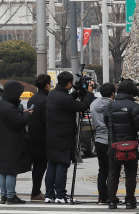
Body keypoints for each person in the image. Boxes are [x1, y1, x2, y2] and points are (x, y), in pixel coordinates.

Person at [45, 71, 95, 203]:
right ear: (68, 83)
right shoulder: (64, 98)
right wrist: (89, 93)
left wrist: (76, 93)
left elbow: (66, 101)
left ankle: (49, 195)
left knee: (52, 165)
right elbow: (82, 106)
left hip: (51, 135)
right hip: (63, 136)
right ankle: (60, 195)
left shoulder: (53, 94)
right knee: (62, 164)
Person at [105, 79, 139, 210]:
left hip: (114, 145)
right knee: (130, 174)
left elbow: (107, 123)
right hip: (130, 145)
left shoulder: (110, 105)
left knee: (113, 173)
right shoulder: (134, 106)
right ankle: (130, 200)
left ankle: (111, 200)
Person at [0, 80, 33, 204]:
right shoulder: (9, 107)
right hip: (12, 142)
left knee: (4, 170)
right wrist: (27, 115)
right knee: (11, 170)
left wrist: (20, 112)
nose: (19, 96)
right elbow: (20, 122)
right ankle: (11, 196)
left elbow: (12, 118)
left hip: (3, 141)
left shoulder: (3, 104)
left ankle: (4, 195)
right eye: (18, 94)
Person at [90, 82, 115, 205]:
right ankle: (111, 197)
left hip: (99, 140)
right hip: (110, 141)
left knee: (102, 170)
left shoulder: (94, 104)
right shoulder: (112, 105)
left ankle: (101, 197)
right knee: (112, 170)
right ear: (112, 94)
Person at [27, 74, 51, 201]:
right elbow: (45, 121)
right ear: (47, 85)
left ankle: (35, 190)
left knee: (36, 165)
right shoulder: (46, 100)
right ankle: (35, 192)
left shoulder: (32, 99)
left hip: (32, 135)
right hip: (42, 138)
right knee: (41, 165)